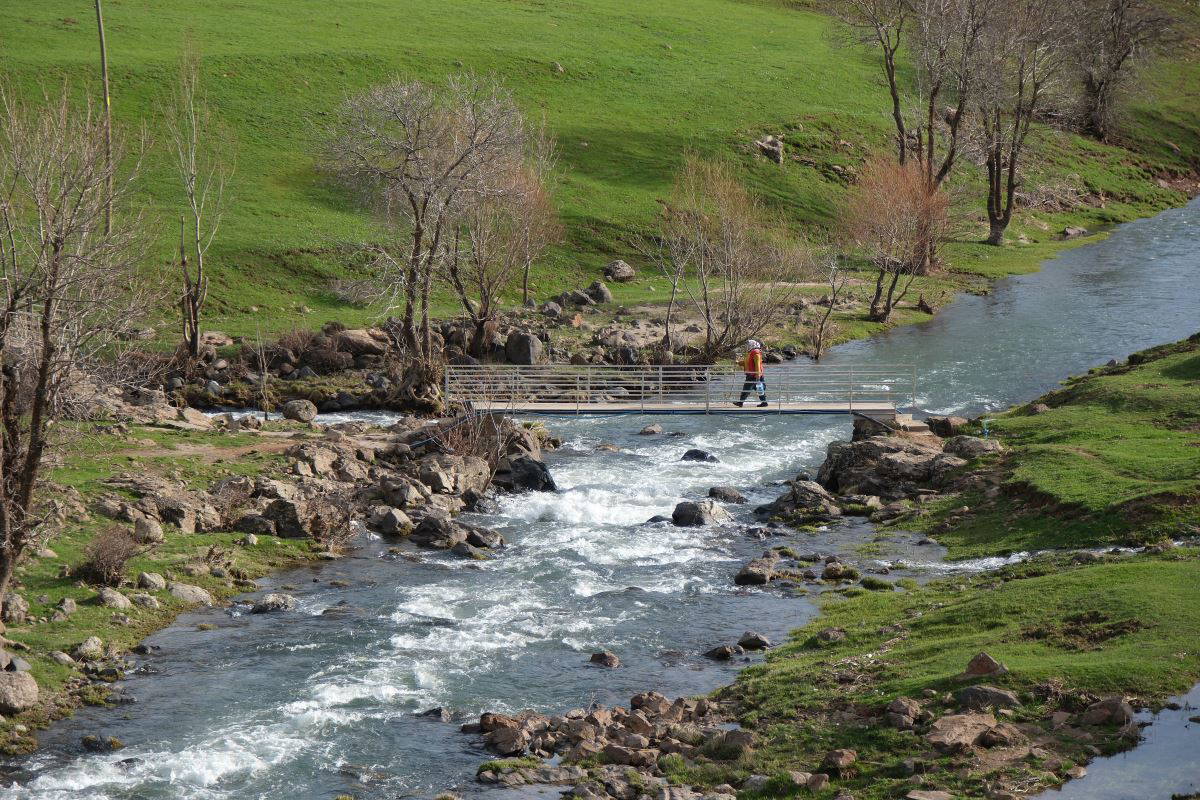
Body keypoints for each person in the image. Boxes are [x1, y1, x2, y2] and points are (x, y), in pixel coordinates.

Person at [735, 339, 768, 407]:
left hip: (753, 375)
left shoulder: (756, 352)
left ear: (752, 345)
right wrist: (738, 363)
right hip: (752, 374)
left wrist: (758, 375)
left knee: (746, 389)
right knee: (759, 389)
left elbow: (757, 364)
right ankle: (764, 402)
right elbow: (746, 363)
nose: (747, 346)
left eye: (748, 345)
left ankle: (740, 403)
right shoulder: (751, 353)